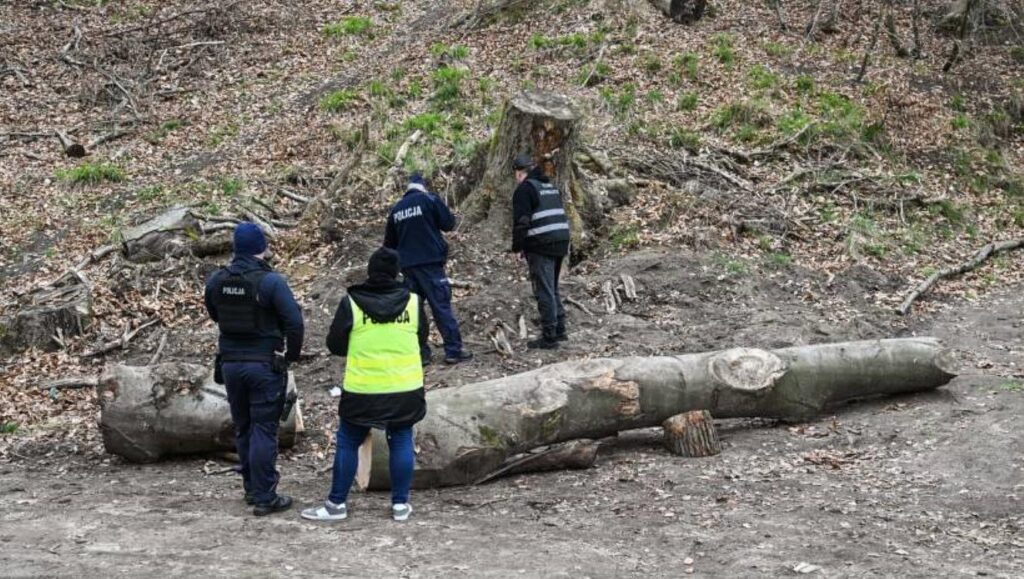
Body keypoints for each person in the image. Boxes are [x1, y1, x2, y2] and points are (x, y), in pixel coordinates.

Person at [302, 247, 427, 522]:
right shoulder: (414, 302)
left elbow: (334, 344)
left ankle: (336, 505)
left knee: (348, 441)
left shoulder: (352, 302)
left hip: (363, 389)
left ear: (369, 272)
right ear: (397, 274)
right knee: (402, 438)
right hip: (405, 388)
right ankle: (400, 505)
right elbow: (421, 340)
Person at [204, 222, 304, 516]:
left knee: (244, 426)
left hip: (231, 364)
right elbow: (294, 323)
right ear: (262, 248)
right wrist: (290, 356)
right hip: (263, 364)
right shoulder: (271, 282)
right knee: (263, 428)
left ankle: (251, 488)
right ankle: (264, 496)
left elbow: (214, 313)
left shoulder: (216, 281)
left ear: (236, 248)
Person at [383, 173, 472, 365]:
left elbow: (389, 244)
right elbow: (449, 224)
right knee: (441, 307)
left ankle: (422, 354)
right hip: (431, 265)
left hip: (407, 268)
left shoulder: (396, 210)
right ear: (423, 186)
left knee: (415, 312)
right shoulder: (429, 200)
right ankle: (453, 350)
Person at [511, 153, 571, 349]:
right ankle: (560, 329)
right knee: (552, 287)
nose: (516, 178)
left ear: (521, 173)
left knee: (543, 289)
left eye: (516, 174)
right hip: (561, 241)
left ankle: (549, 336)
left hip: (541, 244)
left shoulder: (525, 190)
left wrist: (517, 248)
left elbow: (522, 222)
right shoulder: (549, 186)